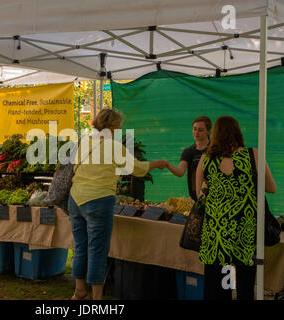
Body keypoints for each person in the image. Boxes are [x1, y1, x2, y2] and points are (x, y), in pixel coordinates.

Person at [68, 108, 167, 300]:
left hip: (75, 199)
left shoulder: (83, 143)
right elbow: (136, 169)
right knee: (97, 249)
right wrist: (157, 163)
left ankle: (79, 291)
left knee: (80, 246)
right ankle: (97, 299)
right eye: (119, 126)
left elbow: (75, 167)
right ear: (113, 126)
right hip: (98, 200)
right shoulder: (114, 147)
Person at [195, 116, 276, 300]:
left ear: (214, 134)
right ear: (238, 132)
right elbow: (271, 188)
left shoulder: (206, 160)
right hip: (244, 232)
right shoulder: (253, 154)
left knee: (221, 287)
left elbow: (199, 195)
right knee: (245, 287)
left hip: (217, 236)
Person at [165, 116, 212, 201]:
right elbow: (180, 172)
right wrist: (167, 164)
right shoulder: (188, 151)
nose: (196, 132)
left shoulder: (216, 150)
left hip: (214, 196)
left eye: (200, 130)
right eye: (194, 129)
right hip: (195, 198)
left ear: (208, 131)